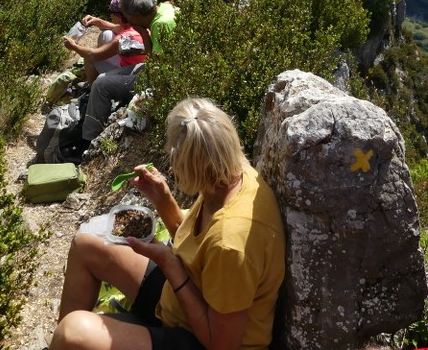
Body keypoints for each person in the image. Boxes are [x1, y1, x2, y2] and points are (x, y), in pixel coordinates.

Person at [50, 97, 286, 350]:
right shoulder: (230, 174)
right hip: (184, 298)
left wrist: (169, 264)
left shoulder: (231, 244)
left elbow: (222, 345)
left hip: (203, 339)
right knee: (87, 243)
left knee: (72, 332)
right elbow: (200, 248)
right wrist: (163, 201)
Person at [80, 0, 177, 146]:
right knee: (104, 78)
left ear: (138, 14)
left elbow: (159, 66)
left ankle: (89, 140)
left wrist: (143, 36)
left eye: (128, 17)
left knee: (100, 85)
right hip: (155, 67)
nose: (127, 22)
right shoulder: (164, 8)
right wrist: (142, 38)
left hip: (160, 76)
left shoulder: (160, 25)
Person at [63, 0, 147, 85]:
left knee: (88, 58)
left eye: (111, 12)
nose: (110, 15)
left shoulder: (124, 38)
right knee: (107, 34)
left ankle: (94, 91)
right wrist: (96, 20)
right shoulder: (135, 25)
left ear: (117, 15)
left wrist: (74, 47)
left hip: (129, 77)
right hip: (136, 68)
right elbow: (112, 27)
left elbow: (92, 55)